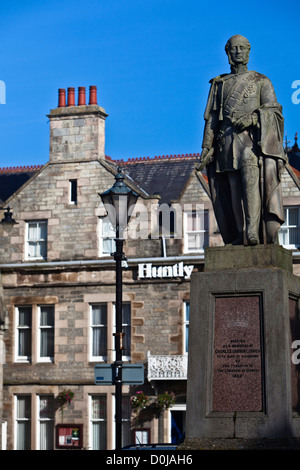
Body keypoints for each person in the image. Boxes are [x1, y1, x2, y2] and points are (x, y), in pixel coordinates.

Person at [197, 35, 286, 245]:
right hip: (225, 143)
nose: (238, 52)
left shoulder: (261, 81)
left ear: (248, 51)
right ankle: (240, 232)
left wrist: (253, 118)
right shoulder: (219, 84)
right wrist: (205, 147)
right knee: (233, 189)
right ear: (227, 52)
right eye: (233, 49)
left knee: (251, 185)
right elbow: (211, 120)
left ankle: (253, 230)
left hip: (251, 143)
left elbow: (274, 112)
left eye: (242, 48)